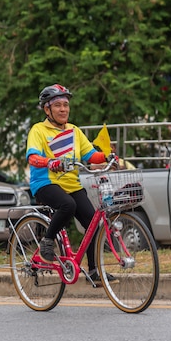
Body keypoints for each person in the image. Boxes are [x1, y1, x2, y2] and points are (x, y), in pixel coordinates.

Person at [26, 84, 117, 283]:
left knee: (93, 223)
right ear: (47, 109)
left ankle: (94, 271)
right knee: (68, 205)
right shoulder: (38, 130)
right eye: (57, 105)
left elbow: (91, 155)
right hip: (45, 183)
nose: (63, 109)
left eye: (66, 105)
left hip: (72, 184)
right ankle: (47, 241)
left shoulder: (74, 131)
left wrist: (107, 156)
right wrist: (50, 162)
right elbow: (32, 158)